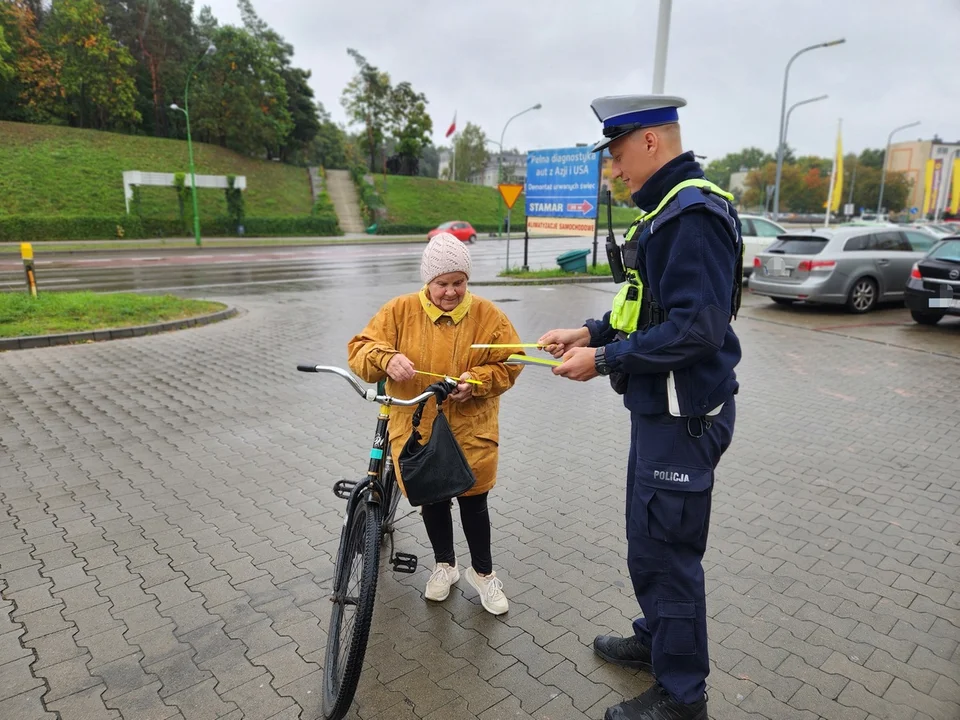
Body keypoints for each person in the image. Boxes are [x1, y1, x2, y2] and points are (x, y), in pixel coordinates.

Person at [538, 95, 743, 720]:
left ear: (652, 141)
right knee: (646, 543)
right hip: (659, 415)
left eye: (619, 155)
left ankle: (684, 698)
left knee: (670, 556)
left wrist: (603, 363)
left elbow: (695, 330)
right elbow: (645, 308)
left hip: (683, 420)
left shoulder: (692, 216)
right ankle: (658, 641)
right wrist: (591, 333)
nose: (615, 170)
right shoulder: (664, 211)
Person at [347, 233, 524, 615]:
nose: (450, 292)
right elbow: (360, 350)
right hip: (417, 429)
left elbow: (511, 362)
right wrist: (386, 358)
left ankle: (484, 573)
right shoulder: (398, 311)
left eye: (458, 282)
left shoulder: (489, 316)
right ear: (428, 282)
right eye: (442, 283)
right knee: (433, 501)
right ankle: (445, 565)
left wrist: (476, 382)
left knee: (474, 502)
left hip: (470, 429)